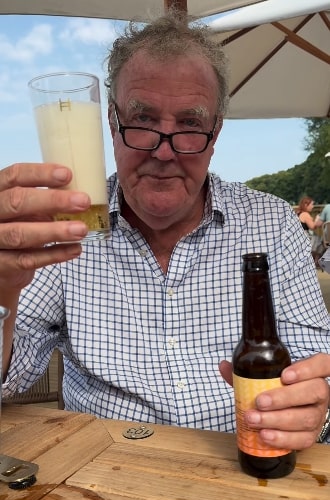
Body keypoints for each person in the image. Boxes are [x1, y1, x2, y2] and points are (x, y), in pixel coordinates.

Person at [1, 12, 330, 451]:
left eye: (191, 125)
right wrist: (3, 289)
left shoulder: (270, 225)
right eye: (143, 120)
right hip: (104, 475)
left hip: (248, 467)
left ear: (215, 136)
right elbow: (9, 381)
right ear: (113, 124)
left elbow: (318, 367)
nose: (163, 151)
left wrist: (314, 412)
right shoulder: (67, 231)